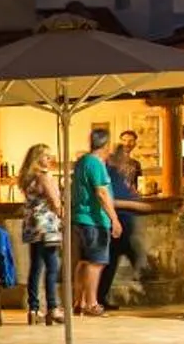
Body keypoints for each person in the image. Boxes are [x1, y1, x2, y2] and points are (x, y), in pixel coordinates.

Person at [70, 126, 121, 316]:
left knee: (83, 261)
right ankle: (92, 303)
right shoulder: (95, 164)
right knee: (96, 262)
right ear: (105, 145)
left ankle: (79, 301)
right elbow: (101, 192)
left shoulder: (82, 162)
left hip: (81, 218)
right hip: (94, 219)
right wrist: (114, 219)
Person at [19, 144, 64, 327]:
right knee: (53, 265)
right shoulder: (43, 177)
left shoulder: (27, 178)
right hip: (47, 225)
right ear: (38, 158)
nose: (49, 159)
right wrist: (63, 215)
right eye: (46, 156)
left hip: (32, 225)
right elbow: (54, 201)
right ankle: (53, 308)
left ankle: (33, 309)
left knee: (36, 266)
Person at [98, 130, 145, 306]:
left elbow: (130, 190)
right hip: (116, 222)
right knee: (119, 255)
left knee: (113, 260)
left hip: (123, 221)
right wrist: (135, 205)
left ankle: (101, 297)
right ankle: (141, 272)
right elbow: (109, 198)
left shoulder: (124, 170)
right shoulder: (109, 172)